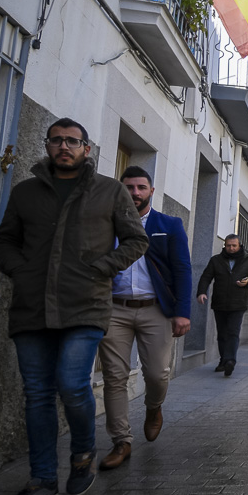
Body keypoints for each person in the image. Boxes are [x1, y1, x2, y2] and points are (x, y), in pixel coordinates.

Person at [0, 118, 148, 495]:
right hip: (32, 306)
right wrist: (21, 271)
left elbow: (136, 240)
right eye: (57, 140)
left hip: (85, 304)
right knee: (38, 394)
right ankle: (42, 480)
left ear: (87, 148)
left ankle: (82, 453)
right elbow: (5, 240)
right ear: (47, 145)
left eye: (73, 141)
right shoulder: (26, 192)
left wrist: (102, 267)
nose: (65, 147)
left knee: (72, 384)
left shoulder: (109, 191)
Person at [97, 166, 193, 471]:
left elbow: (182, 269)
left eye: (141, 187)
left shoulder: (169, 224)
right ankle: (121, 441)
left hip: (156, 309)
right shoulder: (105, 224)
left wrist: (182, 312)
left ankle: (154, 408)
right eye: (129, 187)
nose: (135, 193)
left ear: (151, 191)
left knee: (156, 374)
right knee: (114, 376)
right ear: (120, 190)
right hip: (114, 308)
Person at [196, 235, 248, 376]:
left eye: (234, 246)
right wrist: (201, 292)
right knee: (222, 333)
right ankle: (223, 360)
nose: (231, 248)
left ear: (240, 245)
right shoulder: (216, 260)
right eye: (228, 246)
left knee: (233, 332)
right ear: (224, 245)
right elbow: (206, 276)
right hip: (219, 302)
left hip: (238, 303)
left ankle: (230, 360)